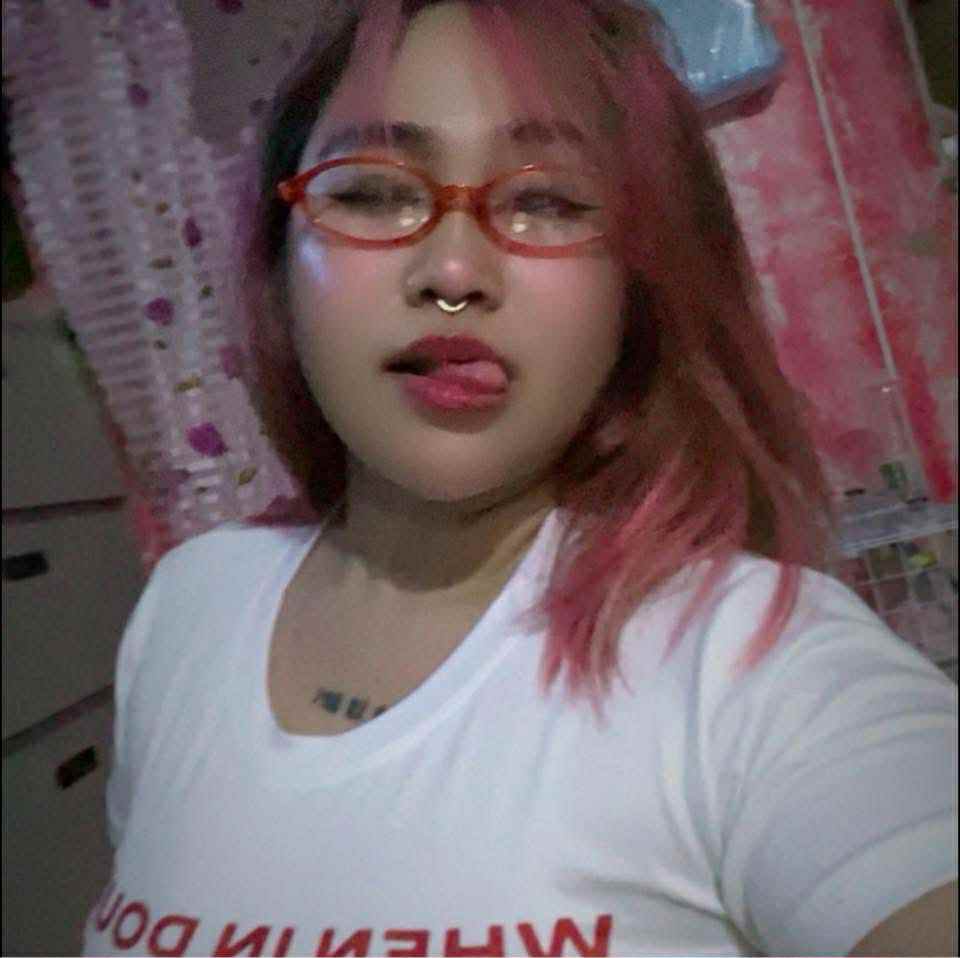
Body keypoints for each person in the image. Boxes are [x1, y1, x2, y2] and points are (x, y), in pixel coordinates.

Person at [82, 1, 958, 955]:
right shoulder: (186, 607)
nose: (454, 269)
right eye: (372, 192)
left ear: (639, 296)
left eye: (551, 202)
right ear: (279, 259)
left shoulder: (757, 666)